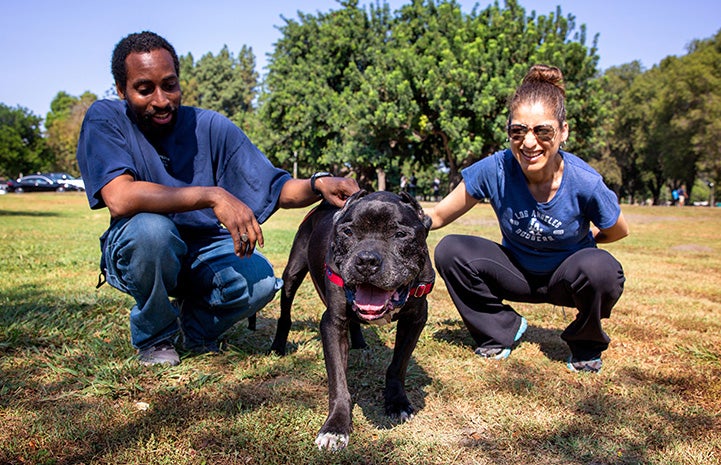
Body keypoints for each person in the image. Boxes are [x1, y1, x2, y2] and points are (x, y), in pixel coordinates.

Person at [76, 31, 359, 367]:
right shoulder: (105, 119)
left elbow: (272, 185)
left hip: (204, 251)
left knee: (261, 282)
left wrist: (319, 184)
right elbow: (119, 197)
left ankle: (192, 328)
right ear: (122, 90)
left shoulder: (210, 126)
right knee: (153, 232)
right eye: (144, 88)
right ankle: (155, 337)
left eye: (169, 84)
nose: (162, 99)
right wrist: (212, 195)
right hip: (141, 247)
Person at [426, 65, 628, 373]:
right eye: (518, 131)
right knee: (450, 249)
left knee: (601, 269)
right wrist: (382, 214)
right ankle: (499, 329)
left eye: (542, 131)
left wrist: (586, 251)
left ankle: (586, 343)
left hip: (566, 280)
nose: (529, 143)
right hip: (516, 273)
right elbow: (438, 215)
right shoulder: (495, 168)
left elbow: (617, 230)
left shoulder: (585, 180)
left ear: (563, 131)